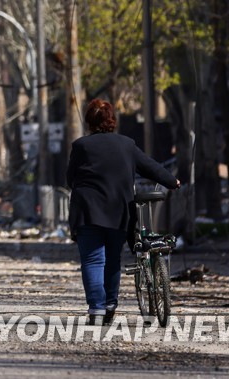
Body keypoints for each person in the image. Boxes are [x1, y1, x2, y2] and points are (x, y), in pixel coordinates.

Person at [67, 98, 180, 325]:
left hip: (88, 210)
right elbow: (151, 167)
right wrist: (172, 181)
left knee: (92, 261)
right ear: (112, 121)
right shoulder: (127, 144)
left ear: (89, 121)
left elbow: (71, 179)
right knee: (112, 260)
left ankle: (97, 310)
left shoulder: (80, 146)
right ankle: (110, 305)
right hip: (119, 211)